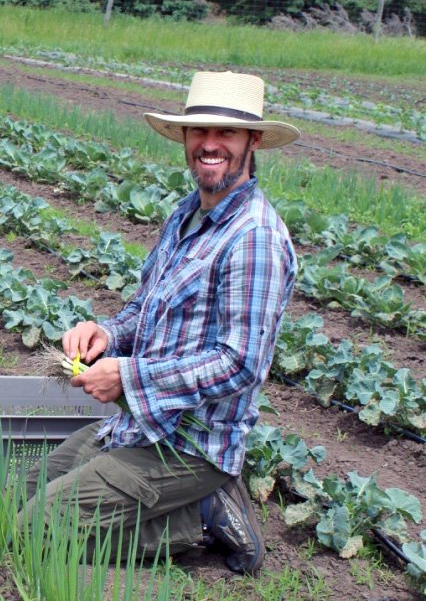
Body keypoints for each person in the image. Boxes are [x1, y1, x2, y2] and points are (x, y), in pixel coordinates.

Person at [22, 71, 299, 575]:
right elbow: (144, 311)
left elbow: (241, 365)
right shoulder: (188, 214)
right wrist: (107, 333)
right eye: (200, 133)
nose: (210, 145)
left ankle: (200, 515)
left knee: (35, 532)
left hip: (192, 444)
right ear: (185, 138)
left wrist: (128, 376)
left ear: (252, 141)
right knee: (28, 488)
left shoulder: (254, 238)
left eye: (226, 134)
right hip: (143, 423)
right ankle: (186, 507)